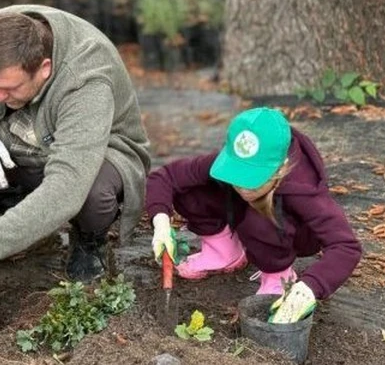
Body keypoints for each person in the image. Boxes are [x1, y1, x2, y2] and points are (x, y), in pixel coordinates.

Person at [0, 6, 151, 289]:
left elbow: (68, 187)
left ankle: (90, 240)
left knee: (92, 195)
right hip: (18, 141)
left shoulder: (85, 79)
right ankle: (18, 211)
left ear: (44, 69)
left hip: (94, 155)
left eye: (10, 88)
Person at [146, 107, 363, 323]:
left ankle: (278, 275)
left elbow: (346, 247)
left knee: (257, 222)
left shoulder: (303, 189)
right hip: (249, 215)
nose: (241, 187)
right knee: (192, 189)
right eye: (237, 174)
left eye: (251, 180)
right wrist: (161, 223)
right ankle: (222, 251)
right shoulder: (236, 161)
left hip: (292, 232)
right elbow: (165, 177)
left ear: (281, 168)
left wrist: (310, 287)